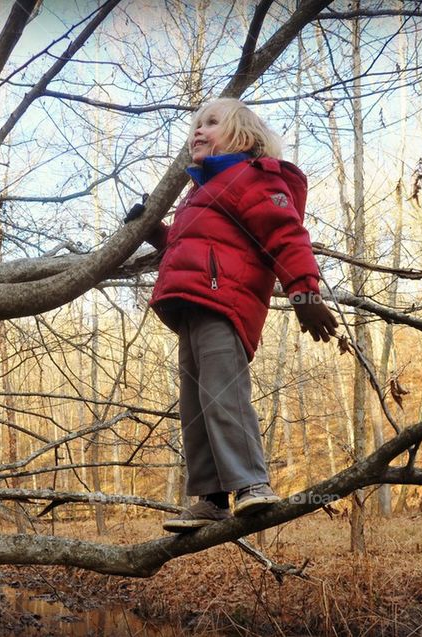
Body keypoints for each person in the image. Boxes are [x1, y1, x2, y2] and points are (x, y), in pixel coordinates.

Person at [124, 98, 338, 532]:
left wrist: (303, 293)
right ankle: (212, 498)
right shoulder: (197, 194)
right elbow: (186, 248)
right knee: (196, 405)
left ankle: (252, 485)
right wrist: (151, 230)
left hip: (224, 302)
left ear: (243, 136)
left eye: (212, 123)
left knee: (222, 393)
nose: (198, 131)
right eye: (195, 126)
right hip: (190, 306)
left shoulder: (252, 177)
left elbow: (285, 234)